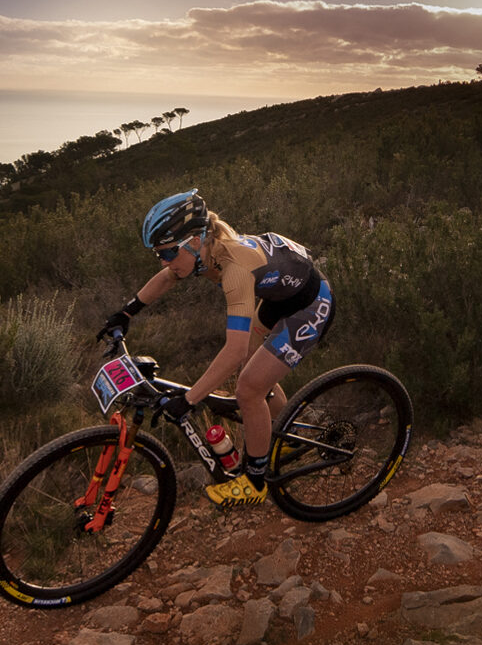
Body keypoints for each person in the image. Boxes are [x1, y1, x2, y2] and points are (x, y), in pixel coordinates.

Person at [98, 189, 335, 508]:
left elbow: (233, 349)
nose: (165, 261)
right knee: (252, 374)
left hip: (310, 303)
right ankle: (286, 435)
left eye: (167, 253)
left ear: (194, 241)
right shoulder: (205, 252)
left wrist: (189, 399)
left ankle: (254, 481)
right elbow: (167, 277)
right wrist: (127, 312)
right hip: (282, 295)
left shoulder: (234, 268)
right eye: (159, 255)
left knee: (248, 388)